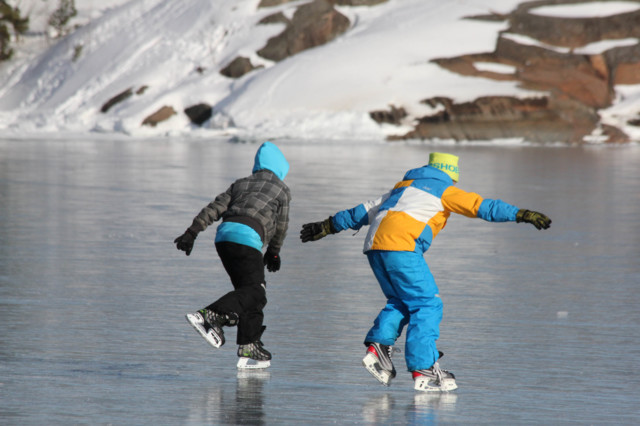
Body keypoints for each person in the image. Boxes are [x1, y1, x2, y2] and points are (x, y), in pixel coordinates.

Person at [300, 152, 551, 391]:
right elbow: (482, 206)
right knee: (427, 304)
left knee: (400, 300)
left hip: (375, 246)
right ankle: (425, 369)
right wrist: (521, 214)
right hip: (402, 247)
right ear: (450, 173)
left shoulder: (402, 188)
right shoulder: (445, 190)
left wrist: (327, 225)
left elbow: (362, 212)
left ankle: (379, 348)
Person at [174, 141, 291, 369]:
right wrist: (274, 252)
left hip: (224, 238)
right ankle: (211, 315)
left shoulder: (241, 184)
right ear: (281, 168)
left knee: (250, 292)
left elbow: (214, 208)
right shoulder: (281, 189)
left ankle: (250, 344)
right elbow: (282, 225)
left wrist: (192, 232)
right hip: (247, 239)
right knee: (256, 291)